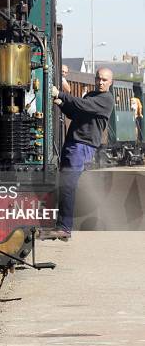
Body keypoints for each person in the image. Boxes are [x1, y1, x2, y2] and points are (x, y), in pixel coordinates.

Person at [44, 68, 114, 240]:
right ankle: (61, 226)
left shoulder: (106, 99)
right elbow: (76, 112)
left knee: (68, 185)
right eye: (98, 78)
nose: (100, 82)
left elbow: (84, 106)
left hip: (82, 145)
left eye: (104, 79)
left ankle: (64, 227)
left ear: (110, 82)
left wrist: (60, 92)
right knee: (65, 184)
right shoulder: (90, 95)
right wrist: (61, 103)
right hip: (73, 143)